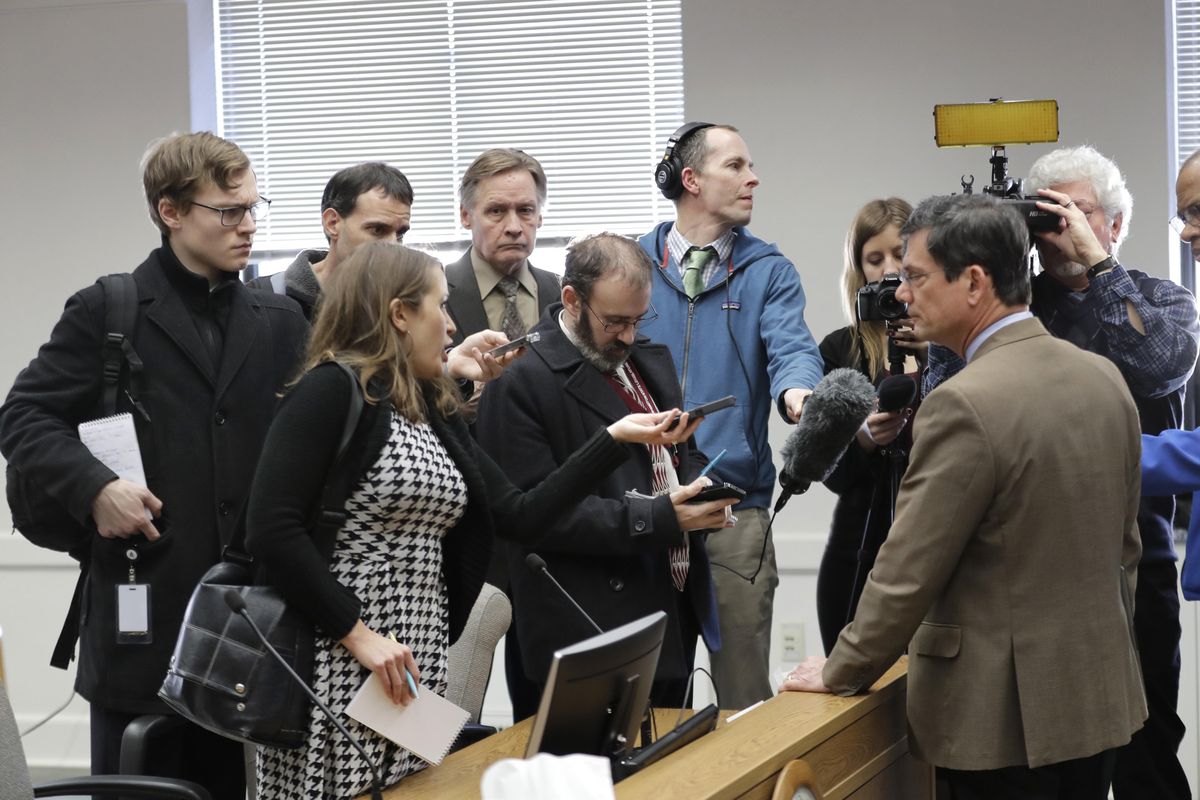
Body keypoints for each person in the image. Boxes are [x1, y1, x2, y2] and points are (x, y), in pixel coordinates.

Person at [244, 241, 702, 798]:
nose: (453, 324)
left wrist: (612, 438)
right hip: (336, 655)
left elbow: (520, 512)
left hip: (416, 656)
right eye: (441, 306)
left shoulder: (427, 402)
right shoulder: (329, 389)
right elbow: (271, 528)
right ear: (399, 315)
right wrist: (357, 635)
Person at [783, 193, 1147, 799]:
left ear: (974, 282)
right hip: (1100, 699)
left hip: (1003, 723)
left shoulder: (962, 403)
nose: (902, 292)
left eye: (918, 276)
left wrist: (843, 667)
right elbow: (1125, 550)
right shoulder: (1101, 377)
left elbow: (907, 569)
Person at [0, 132, 310, 798]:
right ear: (171, 211)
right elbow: (21, 417)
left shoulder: (283, 320)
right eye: (229, 211)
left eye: (256, 207)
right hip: (143, 616)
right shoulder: (107, 310)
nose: (249, 225)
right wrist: (96, 488)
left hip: (251, 628)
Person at [923, 145, 1199, 798]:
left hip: (1134, 557)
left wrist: (1099, 270)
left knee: (1148, 739)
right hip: (1018, 568)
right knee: (1039, 760)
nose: (1062, 228)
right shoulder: (1002, 310)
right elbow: (947, 409)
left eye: (1078, 212)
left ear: (1117, 224)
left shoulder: (1159, 299)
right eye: (1048, 214)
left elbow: (1161, 365)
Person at [474, 233, 736, 720]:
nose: (629, 336)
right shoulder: (521, 381)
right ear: (571, 299)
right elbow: (533, 515)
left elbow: (683, 452)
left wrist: (700, 491)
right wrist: (661, 516)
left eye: (638, 320)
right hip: (583, 623)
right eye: (615, 321)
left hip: (669, 602)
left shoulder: (642, 360)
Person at [639, 122, 823, 707]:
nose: (754, 178)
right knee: (652, 702)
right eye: (737, 166)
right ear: (690, 180)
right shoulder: (627, 267)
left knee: (744, 701)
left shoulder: (769, 271)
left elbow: (793, 348)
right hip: (643, 517)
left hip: (733, 516)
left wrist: (800, 396)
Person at [816, 197, 925, 655]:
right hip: (858, 551)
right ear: (858, 271)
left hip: (932, 552)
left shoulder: (954, 344)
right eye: (874, 259)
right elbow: (828, 472)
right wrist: (861, 439)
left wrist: (935, 354)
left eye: (900, 255)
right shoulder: (840, 351)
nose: (888, 269)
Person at [247, 161, 414, 320]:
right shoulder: (263, 298)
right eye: (377, 230)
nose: (393, 245)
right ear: (332, 224)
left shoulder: (407, 302)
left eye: (400, 233)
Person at [446, 148, 561, 346]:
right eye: (496, 211)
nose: (514, 228)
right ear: (465, 216)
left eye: (525, 210)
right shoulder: (433, 292)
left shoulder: (562, 293)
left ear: (539, 216)